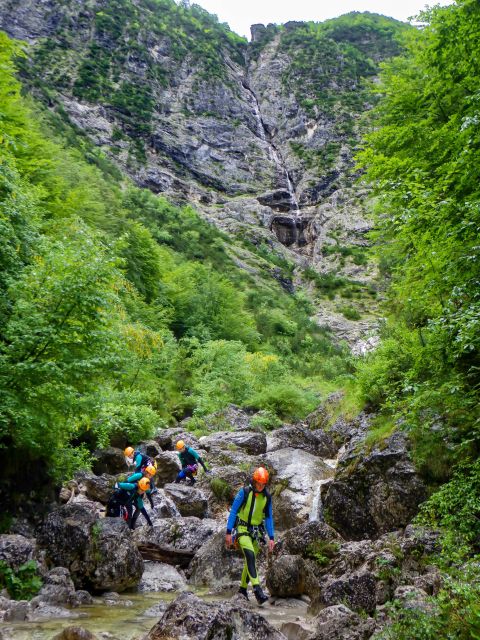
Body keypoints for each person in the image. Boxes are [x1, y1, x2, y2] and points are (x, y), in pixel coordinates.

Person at [225, 467, 275, 605]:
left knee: (249, 561)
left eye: (263, 484)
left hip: (256, 532)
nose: (260, 486)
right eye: (258, 483)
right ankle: (257, 590)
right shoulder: (245, 492)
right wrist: (229, 532)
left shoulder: (267, 497)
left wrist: (271, 537)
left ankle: (242, 589)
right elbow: (234, 511)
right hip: (241, 528)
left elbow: (269, 518)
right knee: (251, 555)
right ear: (254, 481)